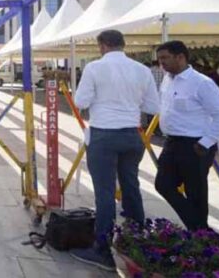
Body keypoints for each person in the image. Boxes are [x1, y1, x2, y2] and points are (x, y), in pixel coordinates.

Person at [69, 30, 160, 271]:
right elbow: (153, 106)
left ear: (102, 45)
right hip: (132, 135)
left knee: (105, 192)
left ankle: (102, 247)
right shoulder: (142, 70)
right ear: (123, 44)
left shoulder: (94, 68)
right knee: (131, 185)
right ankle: (137, 241)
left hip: (104, 134)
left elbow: (80, 102)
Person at [154, 40, 219, 231]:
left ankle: (200, 236)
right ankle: (202, 232)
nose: (161, 63)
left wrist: (206, 142)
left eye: (165, 58)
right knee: (163, 185)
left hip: (196, 145)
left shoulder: (201, 83)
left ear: (180, 57)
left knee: (195, 193)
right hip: (172, 142)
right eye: (159, 58)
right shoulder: (167, 80)